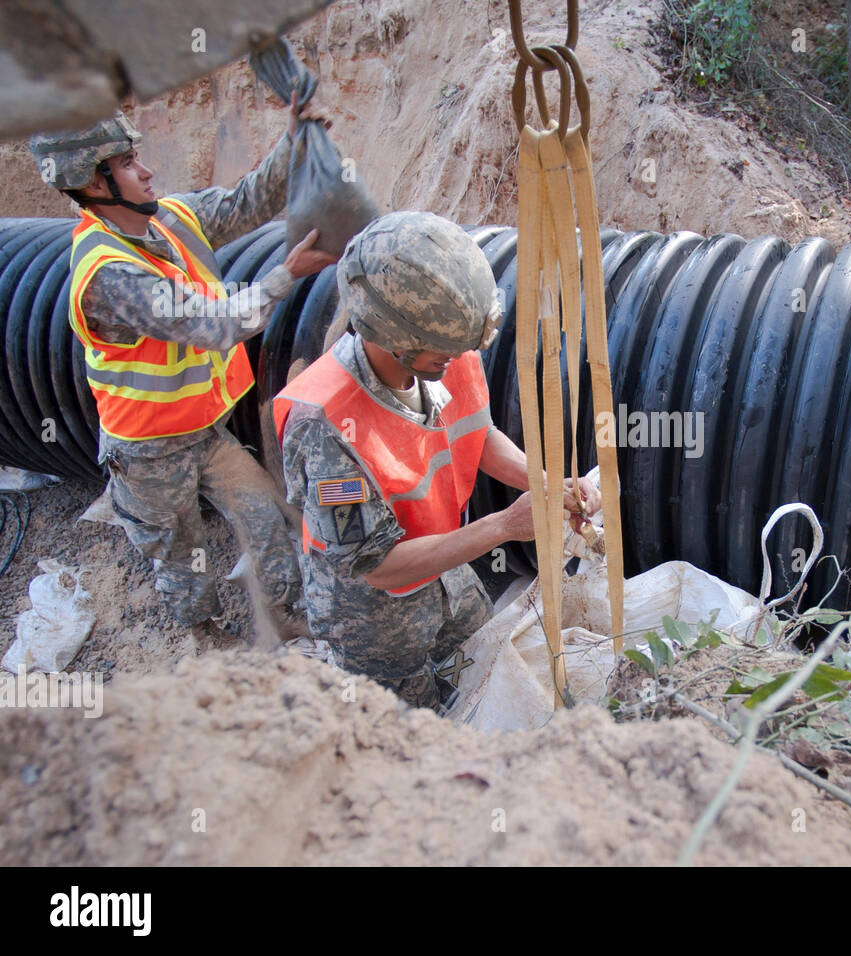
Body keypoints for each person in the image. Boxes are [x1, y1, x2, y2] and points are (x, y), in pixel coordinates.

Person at [28, 100, 337, 636]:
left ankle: (288, 617)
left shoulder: (170, 220)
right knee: (179, 553)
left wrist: (294, 143)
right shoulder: (109, 274)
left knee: (265, 518)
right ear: (94, 182)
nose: (145, 170)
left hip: (206, 433)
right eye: (126, 163)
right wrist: (286, 274)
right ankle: (205, 632)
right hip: (147, 453)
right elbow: (211, 326)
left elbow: (245, 203)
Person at [274, 211, 599, 711]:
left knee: (479, 665)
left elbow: (475, 433)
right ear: (394, 339)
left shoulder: (445, 346)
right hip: (371, 615)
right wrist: (505, 526)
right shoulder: (324, 427)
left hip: (445, 570)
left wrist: (550, 483)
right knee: (409, 719)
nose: (458, 359)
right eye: (441, 353)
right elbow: (378, 568)